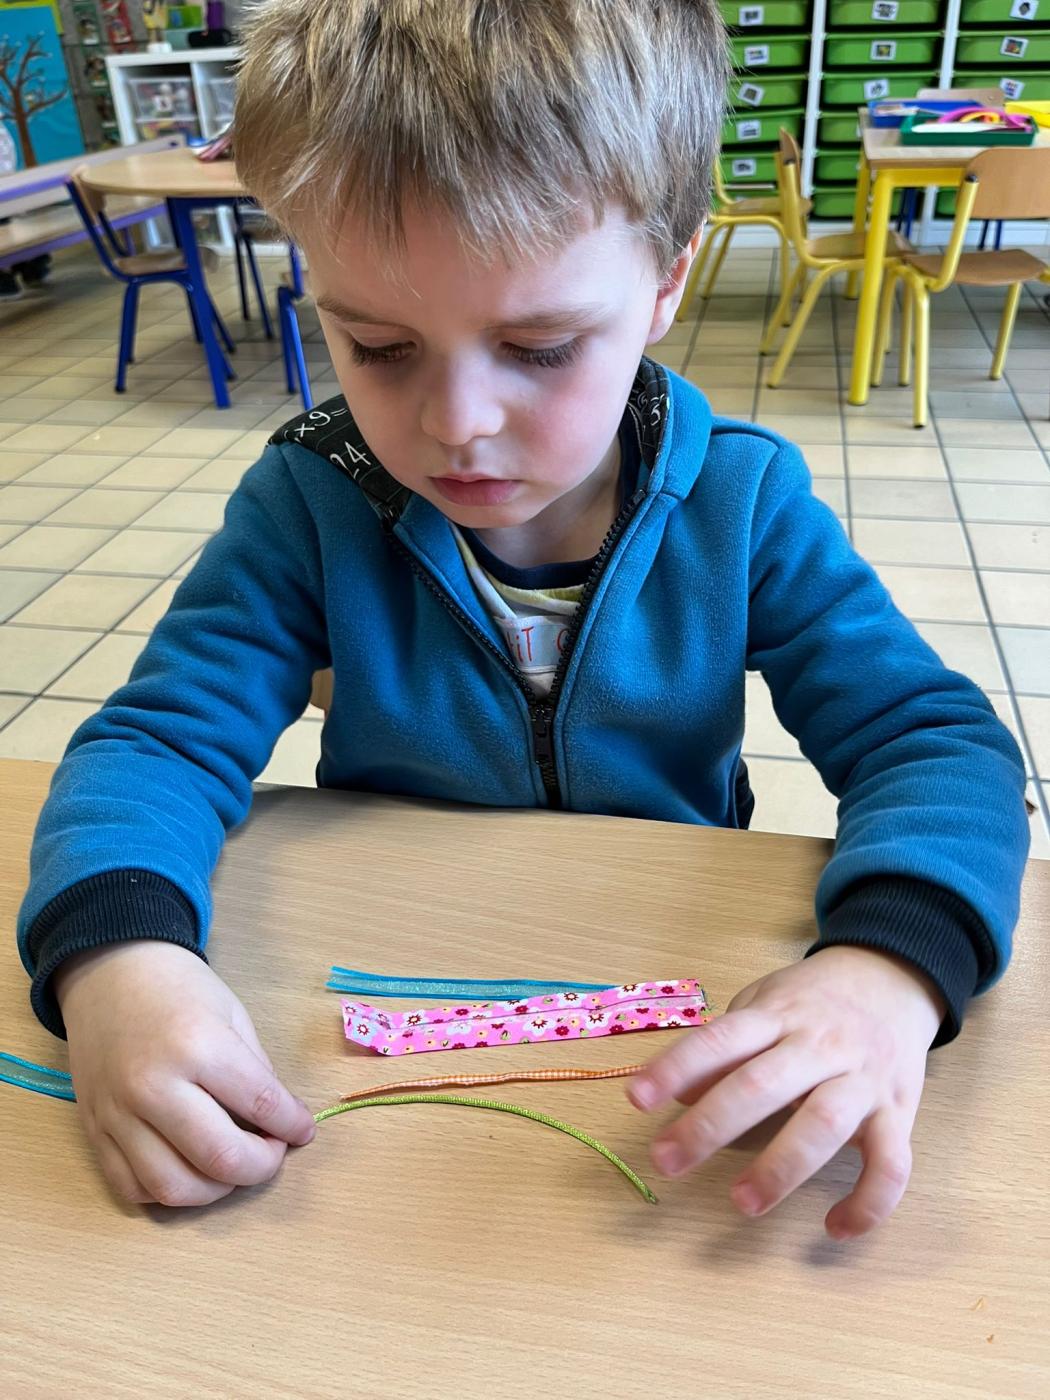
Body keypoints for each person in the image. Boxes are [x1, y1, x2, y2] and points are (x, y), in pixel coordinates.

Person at [17, 0, 1029, 1233]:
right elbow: (155, 742)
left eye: (541, 346)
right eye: (378, 344)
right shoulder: (306, 504)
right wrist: (118, 961)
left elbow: (937, 745)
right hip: (387, 999)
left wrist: (886, 968)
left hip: (663, 1006)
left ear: (667, 280)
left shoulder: (744, 503)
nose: (456, 424)